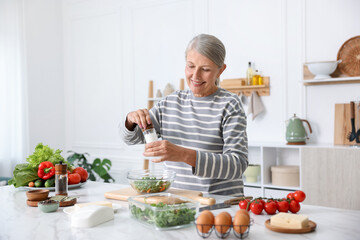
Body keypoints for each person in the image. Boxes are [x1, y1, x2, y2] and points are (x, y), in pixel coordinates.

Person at [120, 34, 248, 196]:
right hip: (178, 203)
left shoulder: (229, 104)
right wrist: (130, 121)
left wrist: (184, 154)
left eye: (206, 69)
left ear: (220, 70)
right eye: (190, 66)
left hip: (220, 203)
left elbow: (237, 165)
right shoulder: (169, 103)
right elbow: (132, 138)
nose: (195, 76)